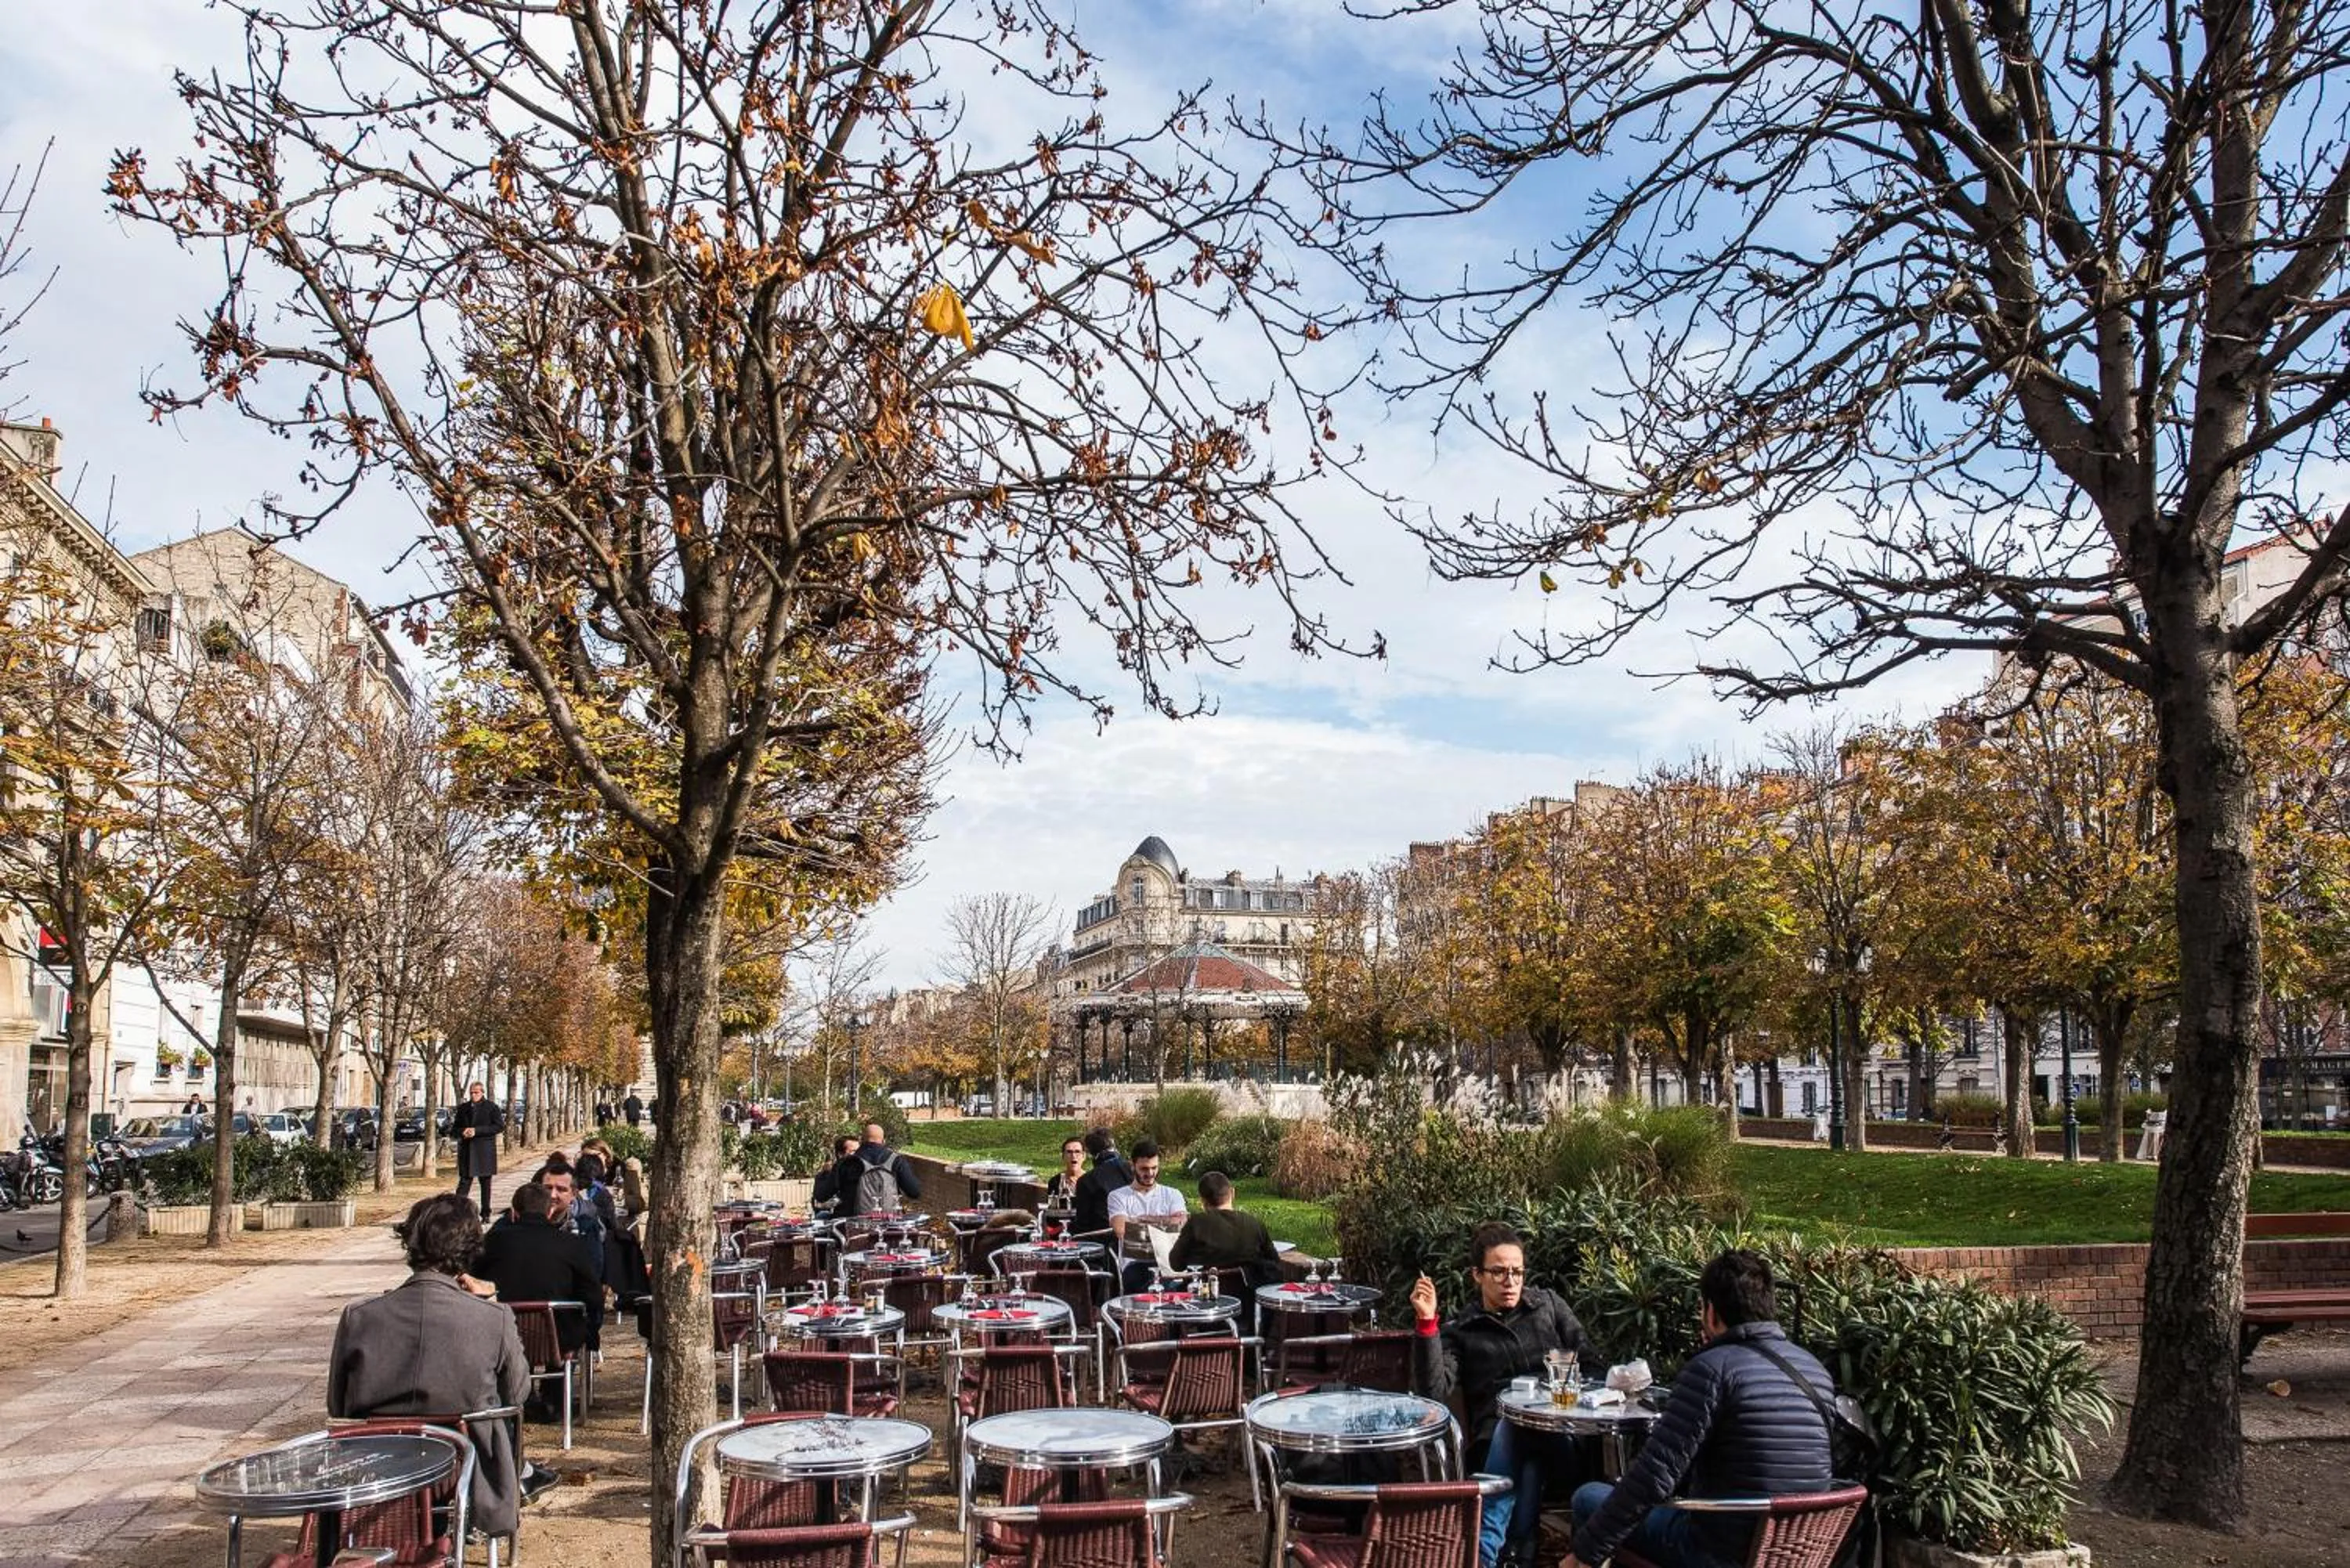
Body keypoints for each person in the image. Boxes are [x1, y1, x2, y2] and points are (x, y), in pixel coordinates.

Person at [1567, 1250, 1837, 1568]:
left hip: (1718, 1553)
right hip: (1798, 1553)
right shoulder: (1816, 1371)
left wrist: (1582, 1555)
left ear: (1710, 1312)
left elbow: (1654, 1477)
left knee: (1588, 1498)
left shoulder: (1711, 1369)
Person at [327, 1193, 541, 1537]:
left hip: (378, 1465)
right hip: (465, 1467)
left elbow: (338, 1404)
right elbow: (517, 1394)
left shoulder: (359, 1317)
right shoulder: (493, 1318)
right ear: (471, 1248)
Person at [1412, 1221, 1589, 1568]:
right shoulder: (1464, 1330)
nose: (1511, 1281)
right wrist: (1428, 1323)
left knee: (1521, 1429)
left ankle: (1484, 1555)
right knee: (1518, 1434)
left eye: (1517, 1272)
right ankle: (1515, 1552)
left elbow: (1592, 1360)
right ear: (1477, 1275)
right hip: (1496, 1443)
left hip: (1563, 1437)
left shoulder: (1548, 1306)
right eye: (1499, 1272)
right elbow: (1432, 1391)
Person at [475, 1180, 605, 1372]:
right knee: (568, 1322)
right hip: (560, 1337)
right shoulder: (570, 1243)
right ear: (549, 1211)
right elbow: (592, 1294)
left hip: (504, 1334)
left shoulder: (493, 1241)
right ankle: (557, 1396)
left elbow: (475, 1280)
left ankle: (512, 1394)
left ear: (515, 1212)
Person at [1169, 1169, 1280, 1292]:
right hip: (1246, 1297)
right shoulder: (1254, 1223)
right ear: (1232, 1193)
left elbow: (1176, 1264)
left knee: (1170, 1287)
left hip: (1204, 1297)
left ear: (1202, 1200)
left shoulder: (1196, 1223)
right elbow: (1273, 1260)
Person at [1105, 1140, 1188, 1292]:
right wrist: (1165, 1223)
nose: (1150, 1173)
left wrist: (1140, 1220)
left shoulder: (1172, 1194)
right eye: (1144, 1169)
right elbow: (1121, 1229)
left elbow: (1181, 1224)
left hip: (1169, 1262)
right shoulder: (1118, 1196)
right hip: (1136, 1263)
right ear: (1133, 1166)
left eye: (1154, 1168)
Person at [827, 1122, 924, 1218]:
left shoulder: (846, 1162)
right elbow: (914, 1192)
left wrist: (825, 1174)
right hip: (889, 1224)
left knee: (822, 1216)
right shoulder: (896, 1161)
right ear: (884, 1141)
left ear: (861, 1140)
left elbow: (822, 1195)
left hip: (850, 1224)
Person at [450, 1081, 505, 1218]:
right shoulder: (463, 1108)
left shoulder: (492, 1107)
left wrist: (478, 1131)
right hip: (467, 1150)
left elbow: (498, 1126)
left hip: (484, 1150)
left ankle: (486, 1212)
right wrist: (463, 1131)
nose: (474, 1095)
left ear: (482, 1093)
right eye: (472, 1093)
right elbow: (454, 1129)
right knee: (464, 1182)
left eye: (476, 1092)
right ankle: (457, 1212)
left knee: (485, 1183)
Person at [1071, 1127, 1133, 1240]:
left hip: (1103, 1240)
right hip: (1137, 1235)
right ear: (1113, 1144)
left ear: (1090, 1153)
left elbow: (1083, 1224)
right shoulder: (1134, 1170)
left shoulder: (1087, 1181)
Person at [809, 1134, 862, 1212]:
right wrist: (825, 1174)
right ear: (840, 1154)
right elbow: (820, 1197)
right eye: (853, 1152)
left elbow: (820, 1196)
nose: (858, 1155)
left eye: (859, 1151)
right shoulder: (838, 1169)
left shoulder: (862, 1168)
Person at [1044, 1136, 1087, 1205]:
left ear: (1084, 1156)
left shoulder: (1091, 1181)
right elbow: (1051, 1207)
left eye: (1077, 1152)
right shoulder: (1055, 1182)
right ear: (1063, 1156)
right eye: (1069, 1152)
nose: (1073, 1156)